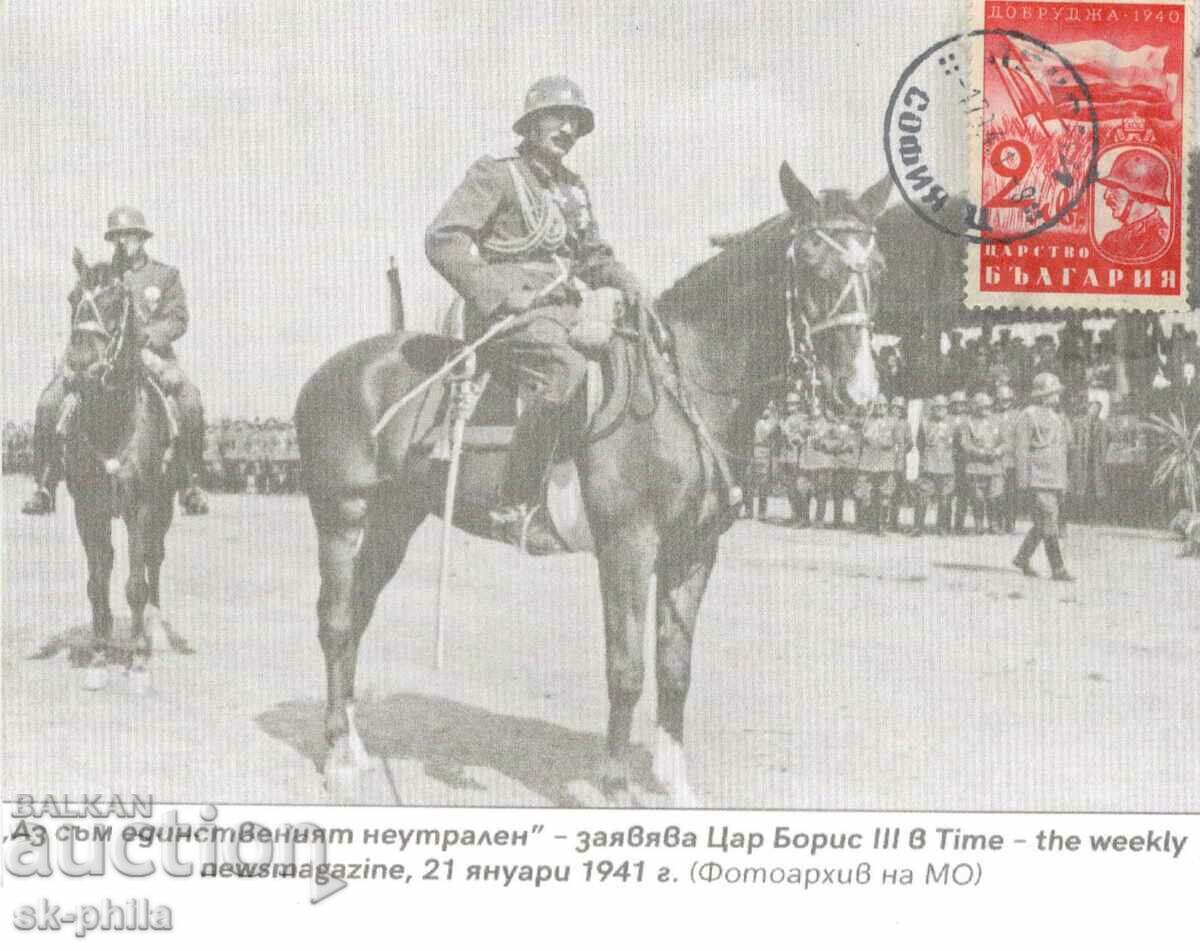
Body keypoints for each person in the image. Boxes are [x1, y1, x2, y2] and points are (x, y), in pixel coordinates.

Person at [426, 75, 642, 551]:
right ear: (531, 122)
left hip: (561, 307)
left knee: (630, 356)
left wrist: (630, 285)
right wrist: (499, 292)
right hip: (508, 311)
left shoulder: (572, 188)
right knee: (566, 365)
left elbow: (592, 256)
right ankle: (515, 502)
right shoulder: (497, 173)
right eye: (558, 117)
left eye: (576, 122)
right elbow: (445, 238)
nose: (567, 129)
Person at [23, 207, 209, 516]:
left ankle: (191, 483)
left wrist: (148, 337)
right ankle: (44, 485)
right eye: (118, 236)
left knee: (190, 401)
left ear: (141, 237)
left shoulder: (165, 275)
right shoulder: (101, 274)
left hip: (150, 354)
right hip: (99, 357)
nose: (124, 241)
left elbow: (178, 318)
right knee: (49, 403)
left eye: (130, 235)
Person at [1013, 372, 1074, 581]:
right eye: (1052, 392)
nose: (1056, 396)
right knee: (1049, 520)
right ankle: (1058, 568)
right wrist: (1022, 481)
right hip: (1038, 478)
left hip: (1055, 478)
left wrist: (1064, 480)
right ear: (1042, 394)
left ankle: (1022, 558)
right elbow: (1021, 450)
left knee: (1042, 524)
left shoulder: (1056, 417)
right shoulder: (1027, 415)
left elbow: (1063, 449)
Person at [1097, 148, 1171, 261]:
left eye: (1116, 188)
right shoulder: (1111, 239)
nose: (1106, 196)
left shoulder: (1160, 242)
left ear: (1141, 195)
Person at [959, 392, 1006, 534]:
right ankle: (978, 524)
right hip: (975, 466)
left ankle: (993, 524)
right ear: (976, 407)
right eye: (982, 406)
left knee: (994, 497)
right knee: (977, 498)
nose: (986, 409)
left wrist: (998, 450)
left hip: (994, 465)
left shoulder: (997, 421)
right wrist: (979, 452)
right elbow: (965, 443)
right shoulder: (968, 422)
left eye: (988, 406)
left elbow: (1006, 442)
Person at [911, 394, 956, 536]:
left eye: (943, 407)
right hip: (929, 464)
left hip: (948, 464)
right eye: (937, 407)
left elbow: (958, 445)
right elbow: (920, 443)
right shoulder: (924, 423)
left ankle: (942, 527)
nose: (940, 410)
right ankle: (918, 527)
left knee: (945, 498)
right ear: (932, 408)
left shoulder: (954, 424)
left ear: (947, 408)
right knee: (922, 497)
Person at [855, 396, 900, 534]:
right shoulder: (867, 422)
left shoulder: (893, 422)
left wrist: (895, 461)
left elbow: (898, 444)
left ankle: (881, 525)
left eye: (884, 406)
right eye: (878, 406)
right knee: (864, 493)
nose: (881, 408)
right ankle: (867, 523)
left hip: (885, 462)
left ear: (887, 408)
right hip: (867, 462)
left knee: (885, 494)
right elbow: (860, 442)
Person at [794, 402, 833, 528]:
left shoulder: (826, 423)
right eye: (811, 407)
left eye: (816, 407)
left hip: (821, 461)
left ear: (821, 409)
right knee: (802, 490)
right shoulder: (805, 422)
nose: (813, 410)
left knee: (821, 492)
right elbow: (798, 436)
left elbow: (826, 438)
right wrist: (799, 438)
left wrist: (818, 437)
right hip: (806, 461)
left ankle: (819, 520)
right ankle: (804, 518)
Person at [995, 384, 1020, 532]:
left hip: (1013, 460)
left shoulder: (1018, 415)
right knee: (998, 492)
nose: (1005, 402)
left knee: (1012, 493)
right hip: (997, 459)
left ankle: (1010, 521)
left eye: (1007, 400)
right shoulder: (993, 416)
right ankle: (998, 521)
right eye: (1002, 400)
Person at [888, 395, 912, 531]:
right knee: (886, 490)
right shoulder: (886, 421)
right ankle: (881, 520)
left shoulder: (905, 424)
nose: (896, 410)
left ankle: (893, 521)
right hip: (886, 460)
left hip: (900, 462)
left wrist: (902, 452)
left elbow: (910, 442)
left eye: (899, 408)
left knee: (897, 492)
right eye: (894, 408)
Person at [947, 390, 970, 533]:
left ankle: (959, 525)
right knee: (948, 493)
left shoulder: (968, 420)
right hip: (948, 460)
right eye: (956, 404)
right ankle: (944, 523)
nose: (959, 407)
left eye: (962, 404)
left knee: (963, 494)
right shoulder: (946, 419)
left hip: (964, 462)